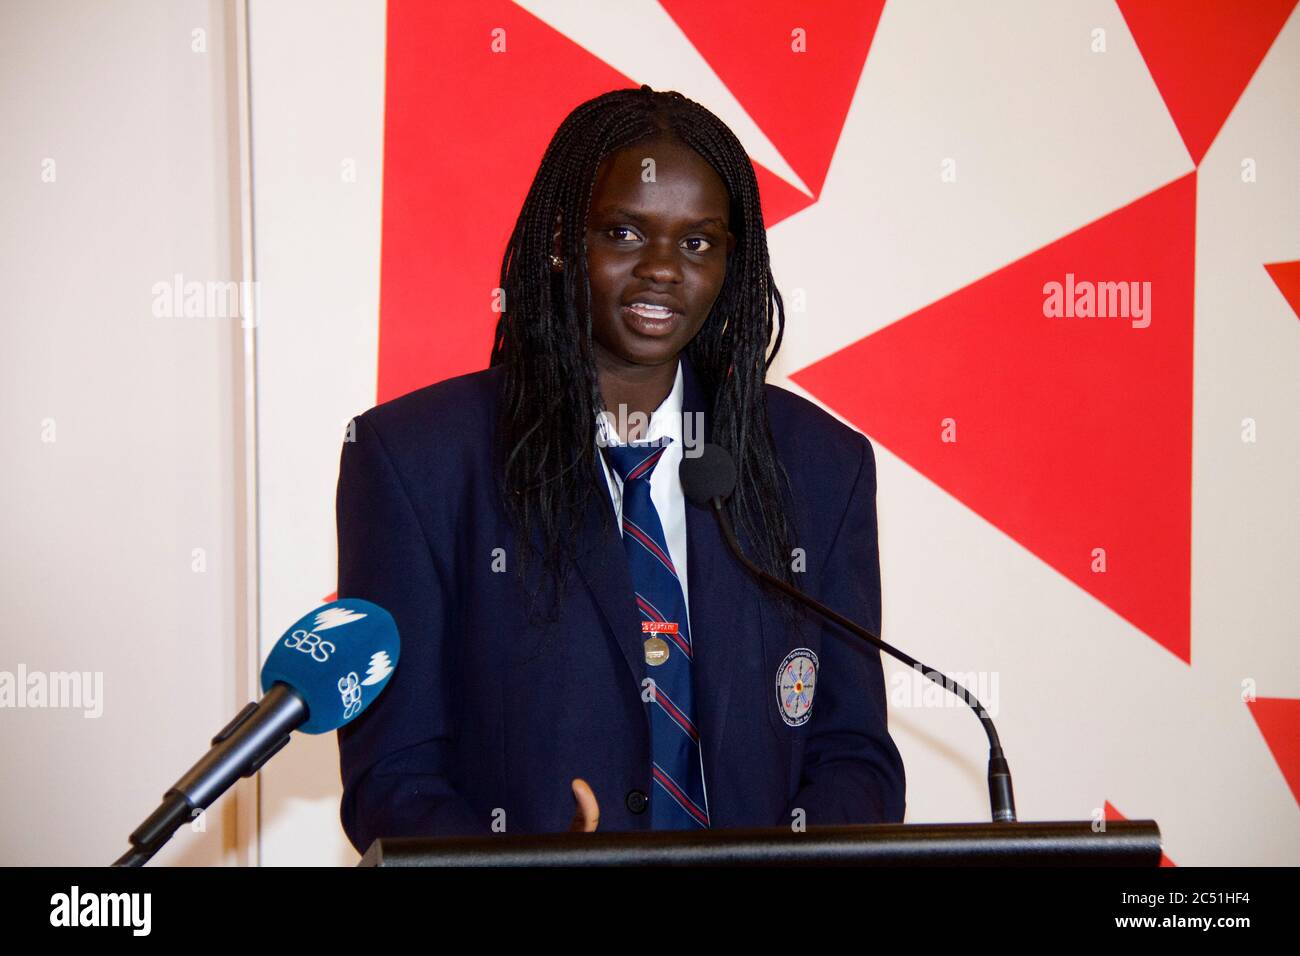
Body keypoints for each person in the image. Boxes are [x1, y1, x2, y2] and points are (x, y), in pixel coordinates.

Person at [334, 85, 904, 853]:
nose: (663, 270)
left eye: (698, 242)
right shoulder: (415, 463)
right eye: (626, 233)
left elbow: (854, 754)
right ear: (566, 240)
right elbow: (393, 783)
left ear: (733, 260)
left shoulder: (820, 466)